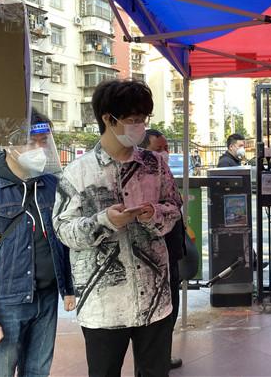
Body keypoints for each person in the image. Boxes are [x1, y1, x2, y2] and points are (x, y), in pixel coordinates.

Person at [53, 79, 183, 377]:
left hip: (154, 297)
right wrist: (104, 221)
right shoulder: (78, 172)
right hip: (103, 303)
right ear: (108, 119)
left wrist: (153, 213)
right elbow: (63, 229)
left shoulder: (155, 165)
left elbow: (174, 207)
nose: (140, 126)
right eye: (132, 120)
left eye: (143, 119)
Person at [0, 109, 75, 377]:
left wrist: (68, 288)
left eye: (44, 141)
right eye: (31, 142)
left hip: (47, 298)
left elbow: (61, 240)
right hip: (5, 301)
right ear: (9, 145)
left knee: (38, 370)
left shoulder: (51, 185)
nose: (39, 149)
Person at [140, 129, 184, 370]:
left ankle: (162, 355)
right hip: (155, 254)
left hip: (173, 251)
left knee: (172, 304)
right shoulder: (142, 181)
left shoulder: (163, 172)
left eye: (166, 148)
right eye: (158, 149)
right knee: (160, 311)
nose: (165, 153)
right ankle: (156, 358)